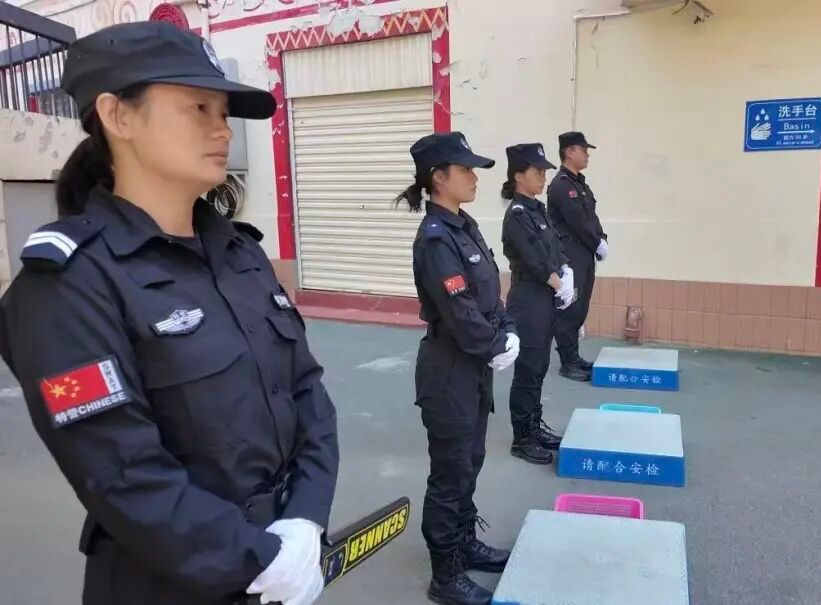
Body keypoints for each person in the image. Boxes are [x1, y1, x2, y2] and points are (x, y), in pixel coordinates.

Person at [0, 22, 338, 605]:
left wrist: (305, 519)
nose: (222, 128)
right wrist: (261, 559)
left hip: (285, 555)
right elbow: (121, 474)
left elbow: (306, 390)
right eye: (197, 107)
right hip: (168, 582)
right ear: (118, 116)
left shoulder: (240, 253)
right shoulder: (66, 285)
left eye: (223, 111)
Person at [399, 132, 518, 605]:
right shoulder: (435, 239)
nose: (474, 177)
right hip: (450, 368)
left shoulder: (464, 226)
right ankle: (445, 573)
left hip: (473, 365)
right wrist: (493, 345)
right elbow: (459, 310)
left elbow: (489, 294)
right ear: (438, 177)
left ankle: (464, 541)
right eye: (465, 169)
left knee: (471, 459)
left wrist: (506, 330)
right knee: (450, 472)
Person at [498, 143, 573, 465]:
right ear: (519, 175)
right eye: (537, 172)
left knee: (540, 365)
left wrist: (566, 269)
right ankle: (522, 437)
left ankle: (534, 425)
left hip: (546, 298)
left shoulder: (537, 210)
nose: (543, 177)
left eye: (544, 172)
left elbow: (555, 247)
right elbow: (533, 259)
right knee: (528, 369)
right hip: (529, 298)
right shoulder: (517, 215)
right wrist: (559, 284)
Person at [547, 131, 608, 381]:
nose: (587, 155)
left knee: (580, 306)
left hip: (584, 252)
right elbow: (577, 221)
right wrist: (596, 242)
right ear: (569, 151)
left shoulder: (579, 184)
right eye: (584, 150)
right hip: (570, 253)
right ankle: (567, 362)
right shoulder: (561, 185)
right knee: (570, 308)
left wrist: (602, 239)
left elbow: (591, 217)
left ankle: (574, 357)